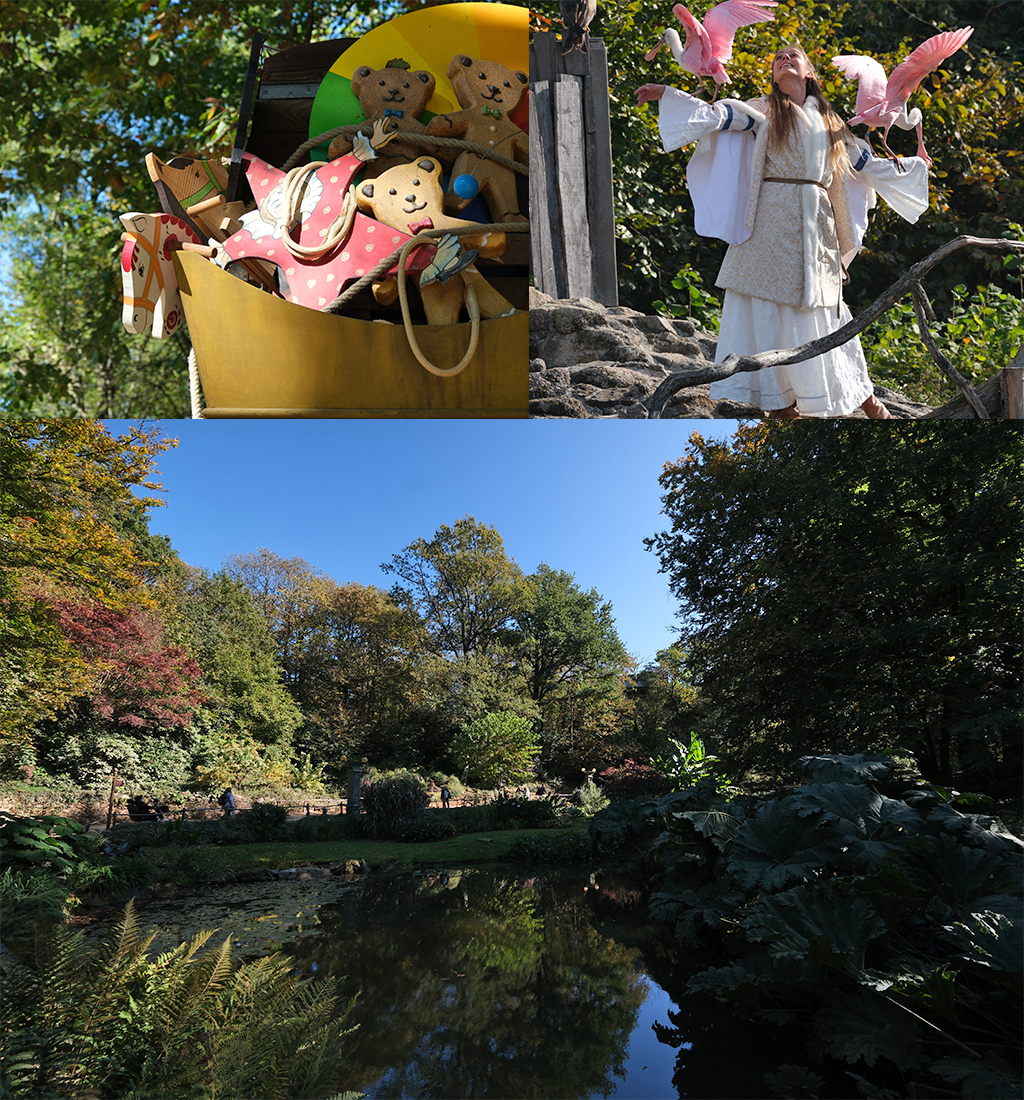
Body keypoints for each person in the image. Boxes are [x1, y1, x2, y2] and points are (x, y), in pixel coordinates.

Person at [634, 44, 930, 418]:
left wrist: (914, 167)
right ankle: (781, 406)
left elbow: (865, 164)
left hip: (816, 228)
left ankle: (868, 402)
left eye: (793, 56)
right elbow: (723, 114)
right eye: (777, 59)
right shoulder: (765, 109)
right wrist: (669, 95)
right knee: (767, 309)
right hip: (769, 224)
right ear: (773, 77)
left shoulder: (831, 121)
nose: (784, 60)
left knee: (825, 311)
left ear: (809, 72)